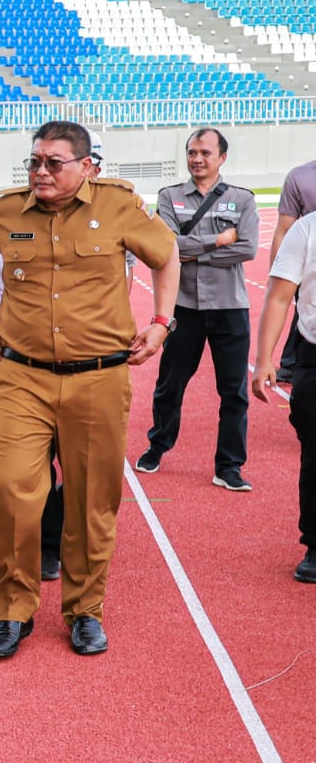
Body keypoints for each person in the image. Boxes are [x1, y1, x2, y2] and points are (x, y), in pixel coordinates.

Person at [0, 120, 178, 660]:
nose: (41, 171)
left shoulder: (119, 205)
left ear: (86, 167)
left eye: (53, 163)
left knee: (90, 501)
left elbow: (166, 255)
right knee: (11, 490)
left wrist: (161, 322)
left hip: (99, 377)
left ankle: (85, 610)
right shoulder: (7, 210)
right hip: (23, 377)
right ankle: (14, 609)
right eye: (35, 161)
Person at [134, 129, 259, 491]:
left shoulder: (242, 199)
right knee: (170, 384)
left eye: (205, 152)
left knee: (234, 392)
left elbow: (248, 249)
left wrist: (191, 251)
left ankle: (229, 465)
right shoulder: (169, 197)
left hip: (230, 307)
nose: (198, 159)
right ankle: (158, 445)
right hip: (184, 307)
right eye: (192, 152)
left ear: (222, 158)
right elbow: (166, 246)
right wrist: (217, 240)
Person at [253, 209, 316, 584]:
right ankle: (315, 544)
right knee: (315, 455)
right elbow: (278, 298)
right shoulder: (307, 230)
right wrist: (264, 360)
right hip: (314, 355)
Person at [269, 158, 316, 384]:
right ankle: (291, 363)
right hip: (306, 258)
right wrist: (276, 270)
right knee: (304, 312)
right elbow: (283, 229)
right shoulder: (300, 177)